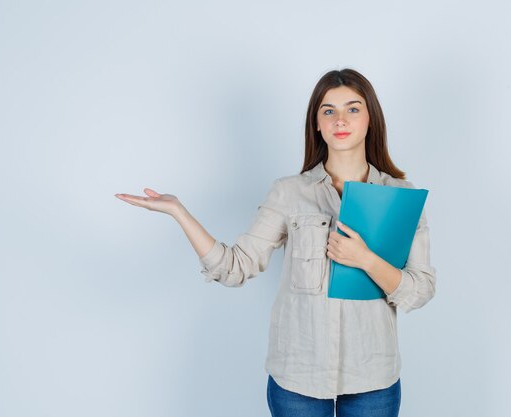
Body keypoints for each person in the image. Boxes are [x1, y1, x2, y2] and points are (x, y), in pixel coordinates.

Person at [115, 68, 436, 417]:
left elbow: (419, 290)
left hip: (372, 377)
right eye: (328, 110)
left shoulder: (401, 197)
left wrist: (365, 259)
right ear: (316, 123)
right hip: (298, 377)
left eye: (353, 108)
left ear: (371, 118)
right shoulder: (288, 193)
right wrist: (179, 212)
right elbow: (234, 267)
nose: (340, 119)